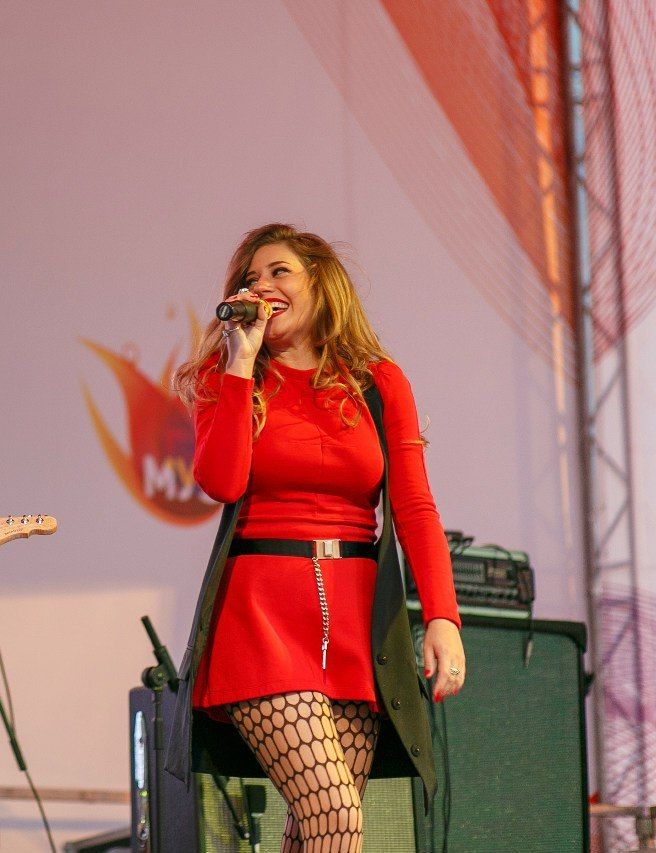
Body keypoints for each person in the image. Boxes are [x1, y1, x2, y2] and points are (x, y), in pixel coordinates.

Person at [168, 224, 466, 852]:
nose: (262, 287)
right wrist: (241, 363)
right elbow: (221, 482)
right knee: (335, 814)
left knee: (315, 830)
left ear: (321, 283)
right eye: (250, 279)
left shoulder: (378, 382)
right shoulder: (226, 378)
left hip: (357, 624)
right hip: (262, 618)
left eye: (279, 272)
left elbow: (414, 507)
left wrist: (442, 617)